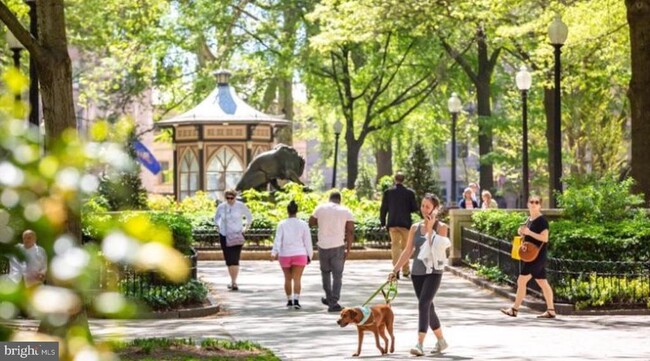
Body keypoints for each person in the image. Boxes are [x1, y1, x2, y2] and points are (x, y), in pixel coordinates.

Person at [389, 194, 450, 356]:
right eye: (423, 206)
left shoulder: (442, 228)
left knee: (423, 304)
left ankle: (420, 344)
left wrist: (430, 229)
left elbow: (435, 249)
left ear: (435, 209)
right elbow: (408, 251)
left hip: (434, 271)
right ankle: (441, 341)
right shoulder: (415, 227)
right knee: (428, 306)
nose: (424, 209)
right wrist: (395, 270)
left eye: (428, 207)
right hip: (417, 273)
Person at [500, 194, 556, 319]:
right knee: (542, 282)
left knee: (521, 280)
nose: (534, 204)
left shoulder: (542, 221)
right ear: (528, 204)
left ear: (540, 205)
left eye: (537, 202)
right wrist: (522, 232)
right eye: (532, 201)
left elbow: (545, 238)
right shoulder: (529, 219)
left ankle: (514, 309)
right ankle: (551, 310)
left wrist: (529, 232)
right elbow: (528, 236)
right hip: (532, 255)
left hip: (537, 256)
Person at [309, 191, 354, 312]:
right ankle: (333, 302)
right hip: (338, 246)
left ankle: (329, 298)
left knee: (325, 272)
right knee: (337, 275)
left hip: (322, 245)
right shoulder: (346, 211)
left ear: (329, 199)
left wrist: (322, 222)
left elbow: (311, 222)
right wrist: (348, 250)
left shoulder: (320, 208)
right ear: (340, 200)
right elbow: (350, 232)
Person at [271, 200, 313, 310]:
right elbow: (308, 241)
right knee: (297, 279)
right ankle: (296, 300)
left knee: (287, 278)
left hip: (285, 255)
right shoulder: (303, 224)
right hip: (300, 254)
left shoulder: (282, 224)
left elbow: (278, 239)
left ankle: (289, 300)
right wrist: (310, 255)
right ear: (297, 211)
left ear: (287, 211)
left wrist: (274, 252)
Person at [380, 172, 419, 279]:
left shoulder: (388, 192)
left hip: (392, 222)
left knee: (395, 246)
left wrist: (383, 222)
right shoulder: (409, 193)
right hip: (405, 223)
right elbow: (414, 208)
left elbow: (383, 208)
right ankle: (405, 270)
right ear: (404, 180)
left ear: (394, 179)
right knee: (406, 247)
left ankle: (396, 270)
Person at [214, 189, 253, 291]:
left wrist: (245, 228)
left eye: (232, 198)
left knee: (235, 259)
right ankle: (232, 280)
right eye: (228, 198)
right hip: (224, 235)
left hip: (236, 235)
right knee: (228, 259)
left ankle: (234, 282)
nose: (230, 200)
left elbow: (249, 217)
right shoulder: (221, 207)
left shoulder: (240, 206)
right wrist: (219, 227)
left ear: (235, 197)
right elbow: (216, 219)